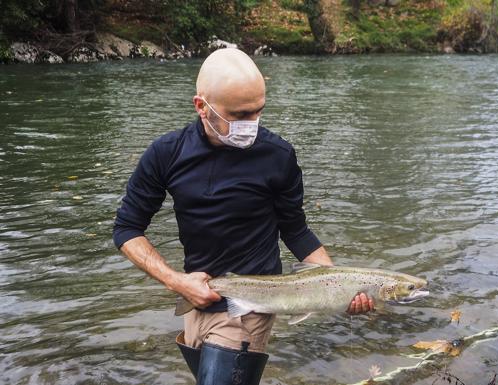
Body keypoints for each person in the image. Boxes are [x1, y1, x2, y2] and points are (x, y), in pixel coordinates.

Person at [112, 48, 373, 385]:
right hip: (196, 300)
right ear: (201, 107)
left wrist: (340, 287)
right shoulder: (166, 153)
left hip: (251, 306)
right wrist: (177, 281)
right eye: (239, 114)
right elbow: (127, 228)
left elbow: (295, 229)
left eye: (258, 112)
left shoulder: (278, 155)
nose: (251, 124)